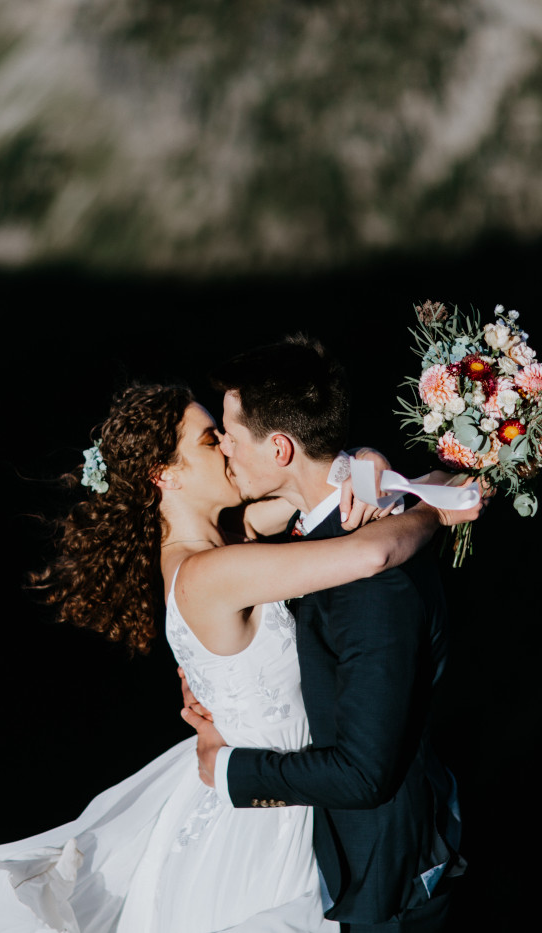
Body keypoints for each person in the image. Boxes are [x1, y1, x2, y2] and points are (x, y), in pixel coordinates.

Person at [0, 379, 479, 933]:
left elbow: (303, 486)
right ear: (164, 475)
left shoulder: (224, 538)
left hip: (291, 788)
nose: (227, 446)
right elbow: (374, 550)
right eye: (209, 439)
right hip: (269, 821)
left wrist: (364, 460)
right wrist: (436, 503)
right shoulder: (208, 574)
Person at [178, 336, 470, 932]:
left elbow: (364, 774)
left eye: (229, 433)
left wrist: (226, 767)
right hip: (325, 862)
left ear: (280, 447)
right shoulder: (322, 532)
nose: (225, 447)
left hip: (383, 880)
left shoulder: (372, 579)